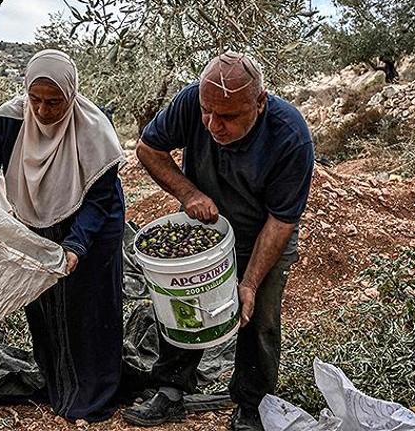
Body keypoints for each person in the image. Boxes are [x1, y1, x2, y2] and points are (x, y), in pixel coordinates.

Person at [122, 51, 314, 430]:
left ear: (259, 104)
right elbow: (148, 149)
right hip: (208, 229)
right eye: (208, 112)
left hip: (263, 234)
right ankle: (171, 389)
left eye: (228, 116)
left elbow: (280, 221)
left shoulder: (290, 137)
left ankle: (251, 403)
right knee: (181, 300)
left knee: (258, 318)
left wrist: (249, 282)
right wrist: (190, 193)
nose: (212, 124)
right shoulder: (192, 101)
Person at [0, 49, 126, 422]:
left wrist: (76, 245)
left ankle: (95, 395)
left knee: (90, 308)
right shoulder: (9, 119)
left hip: (93, 227)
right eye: (35, 100)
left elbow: (100, 200)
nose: (43, 110)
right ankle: (59, 386)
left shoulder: (94, 130)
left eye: (54, 102)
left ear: (71, 96)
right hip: (35, 223)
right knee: (45, 306)